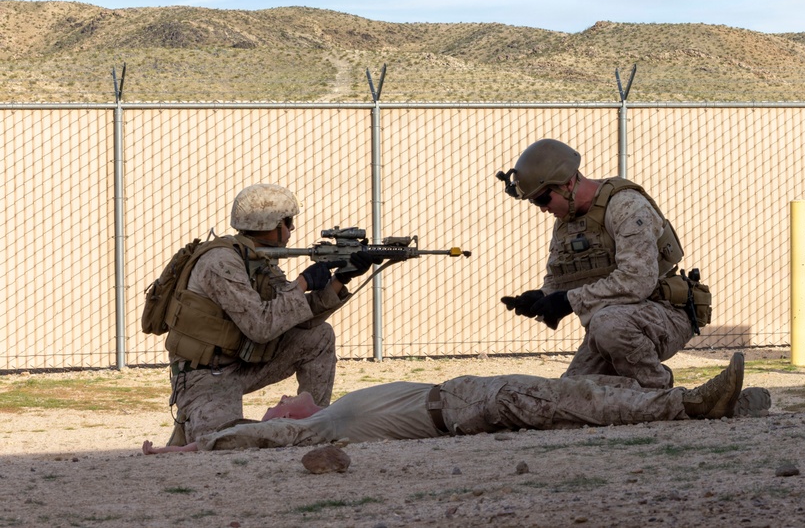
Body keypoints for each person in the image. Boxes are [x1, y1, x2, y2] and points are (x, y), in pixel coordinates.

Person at [143, 352, 749, 454]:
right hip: (463, 409)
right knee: (579, 400)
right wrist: (189, 448)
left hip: (463, 394)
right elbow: (246, 437)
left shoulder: (331, 414)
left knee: (577, 396)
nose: (281, 401)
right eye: (277, 406)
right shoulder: (314, 431)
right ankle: (692, 406)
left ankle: (700, 402)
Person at [162, 183, 375, 446]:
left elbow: (290, 317)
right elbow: (261, 326)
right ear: (271, 224)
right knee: (222, 444)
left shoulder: (257, 261)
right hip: (206, 376)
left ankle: (312, 428)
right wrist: (303, 283)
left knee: (319, 337)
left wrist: (339, 281)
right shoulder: (220, 262)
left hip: (243, 362)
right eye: (288, 222)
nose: (292, 229)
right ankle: (192, 419)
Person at [496, 139, 707, 390]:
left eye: (543, 199)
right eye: (535, 203)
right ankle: (631, 394)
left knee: (607, 324)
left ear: (568, 184)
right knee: (573, 391)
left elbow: (637, 281)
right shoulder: (565, 222)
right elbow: (560, 278)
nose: (543, 209)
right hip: (614, 320)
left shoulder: (626, 206)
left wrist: (567, 301)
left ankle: (659, 390)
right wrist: (541, 298)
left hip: (664, 312)